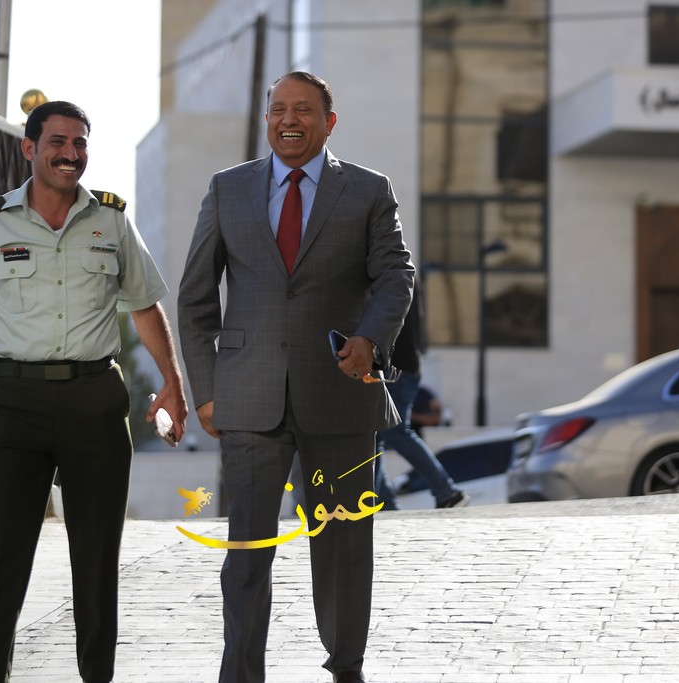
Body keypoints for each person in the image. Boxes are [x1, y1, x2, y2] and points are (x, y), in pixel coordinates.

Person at [178, 71, 414, 683]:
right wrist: (206, 390)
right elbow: (196, 297)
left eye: (304, 110)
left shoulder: (368, 190)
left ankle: (346, 668)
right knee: (246, 551)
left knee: (343, 549)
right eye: (278, 109)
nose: (289, 120)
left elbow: (396, 275)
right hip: (248, 396)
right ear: (267, 119)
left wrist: (370, 339)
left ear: (329, 122)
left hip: (340, 395)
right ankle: (240, 675)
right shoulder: (228, 189)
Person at [0, 100, 187, 683]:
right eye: (57, 142)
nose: (70, 154)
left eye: (79, 143)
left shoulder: (112, 220)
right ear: (30, 148)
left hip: (94, 400)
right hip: (14, 403)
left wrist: (173, 384)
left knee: (97, 557)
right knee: (4, 552)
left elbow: (145, 306)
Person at [372, 281, 468, 511]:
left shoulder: (393, 271)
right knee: (374, 435)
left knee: (395, 432)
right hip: (396, 367)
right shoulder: (399, 271)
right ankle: (385, 505)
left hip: (397, 369)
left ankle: (447, 492)